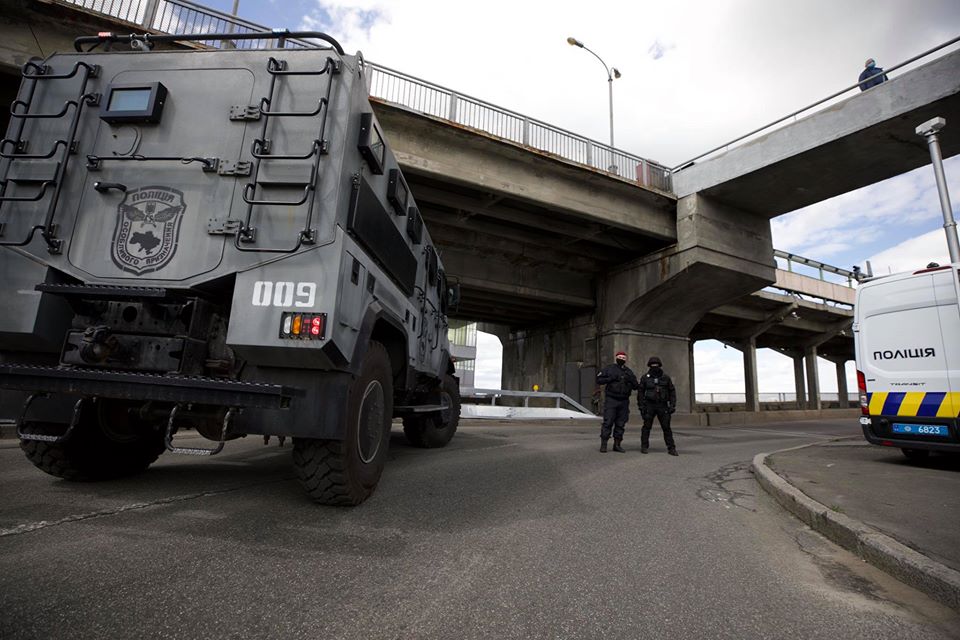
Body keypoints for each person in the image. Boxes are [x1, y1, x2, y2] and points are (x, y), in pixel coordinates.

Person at [596, 351, 638, 453]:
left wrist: (630, 380)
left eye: (623, 358)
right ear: (616, 358)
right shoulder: (609, 369)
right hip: (612, 399)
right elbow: (599, 380)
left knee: (621, 423)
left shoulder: (628, 371)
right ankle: (604, 444)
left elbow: (636, 386)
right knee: (608, 422)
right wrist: (611, 378)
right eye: (620, 357)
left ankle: (617, 444)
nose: (621, 359)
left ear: (625, 360)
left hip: (624, 400)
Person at [637, 356, 678, 456]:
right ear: (649, 366)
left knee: (666, 427)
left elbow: (672, 391)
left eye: (656, 364)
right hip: (649, 405)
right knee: (646, 427)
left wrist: (672, 405)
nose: (654, 366)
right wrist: (641, 406)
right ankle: (644, 446)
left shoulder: (665, 378)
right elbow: (640, 393)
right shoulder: (645, 377)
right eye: (652, 365)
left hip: (662, 405)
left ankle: (671, 448)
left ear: (659, 365)